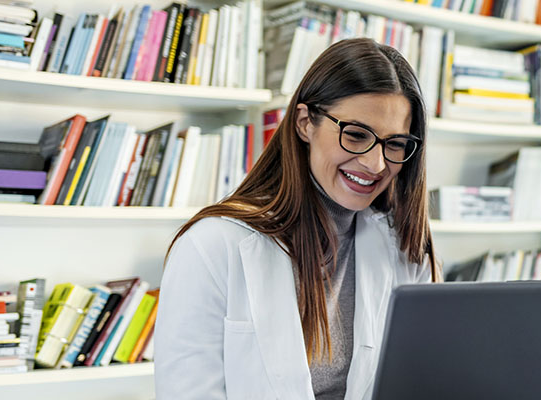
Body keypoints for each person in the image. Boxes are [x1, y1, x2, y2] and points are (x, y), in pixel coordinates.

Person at [155, 38, 438, 400]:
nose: (376, 164)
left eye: (394, 144)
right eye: (355, 135)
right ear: (305, 123)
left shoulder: (404, 249)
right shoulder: (211, 247)